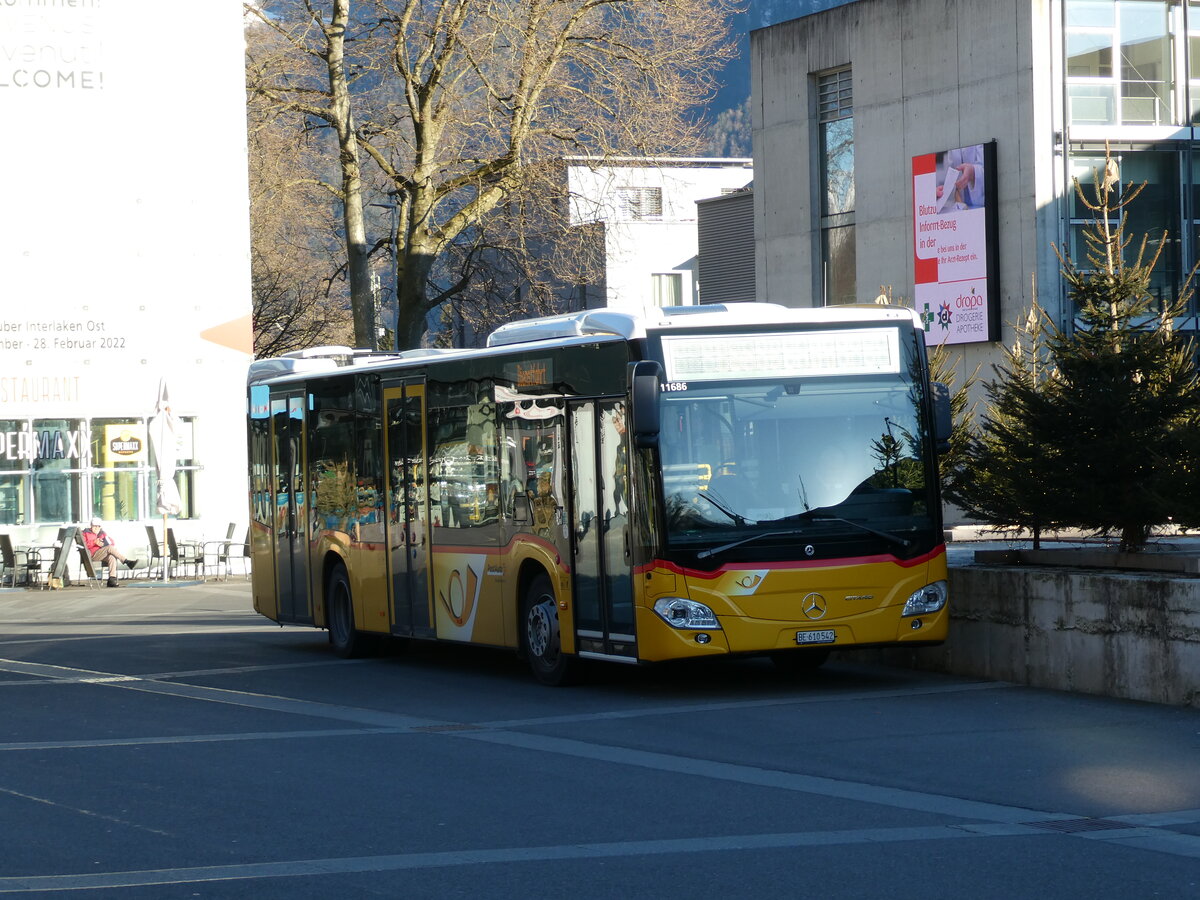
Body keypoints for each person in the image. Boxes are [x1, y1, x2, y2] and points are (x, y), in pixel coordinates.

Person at [82, 518, 138, 588]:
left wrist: (104, 542)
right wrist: (94, 542)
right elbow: (84, 545)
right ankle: (126, 561)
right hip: (92, 554)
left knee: (112, 557)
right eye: (94, 526)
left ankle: (111, 579)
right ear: (91, 526)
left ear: (100, 527)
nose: (96, 528)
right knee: (109, 548)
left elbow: (112, 542)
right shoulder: (85, 533)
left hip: (101, 553)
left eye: (98, 526)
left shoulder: (102, 533)